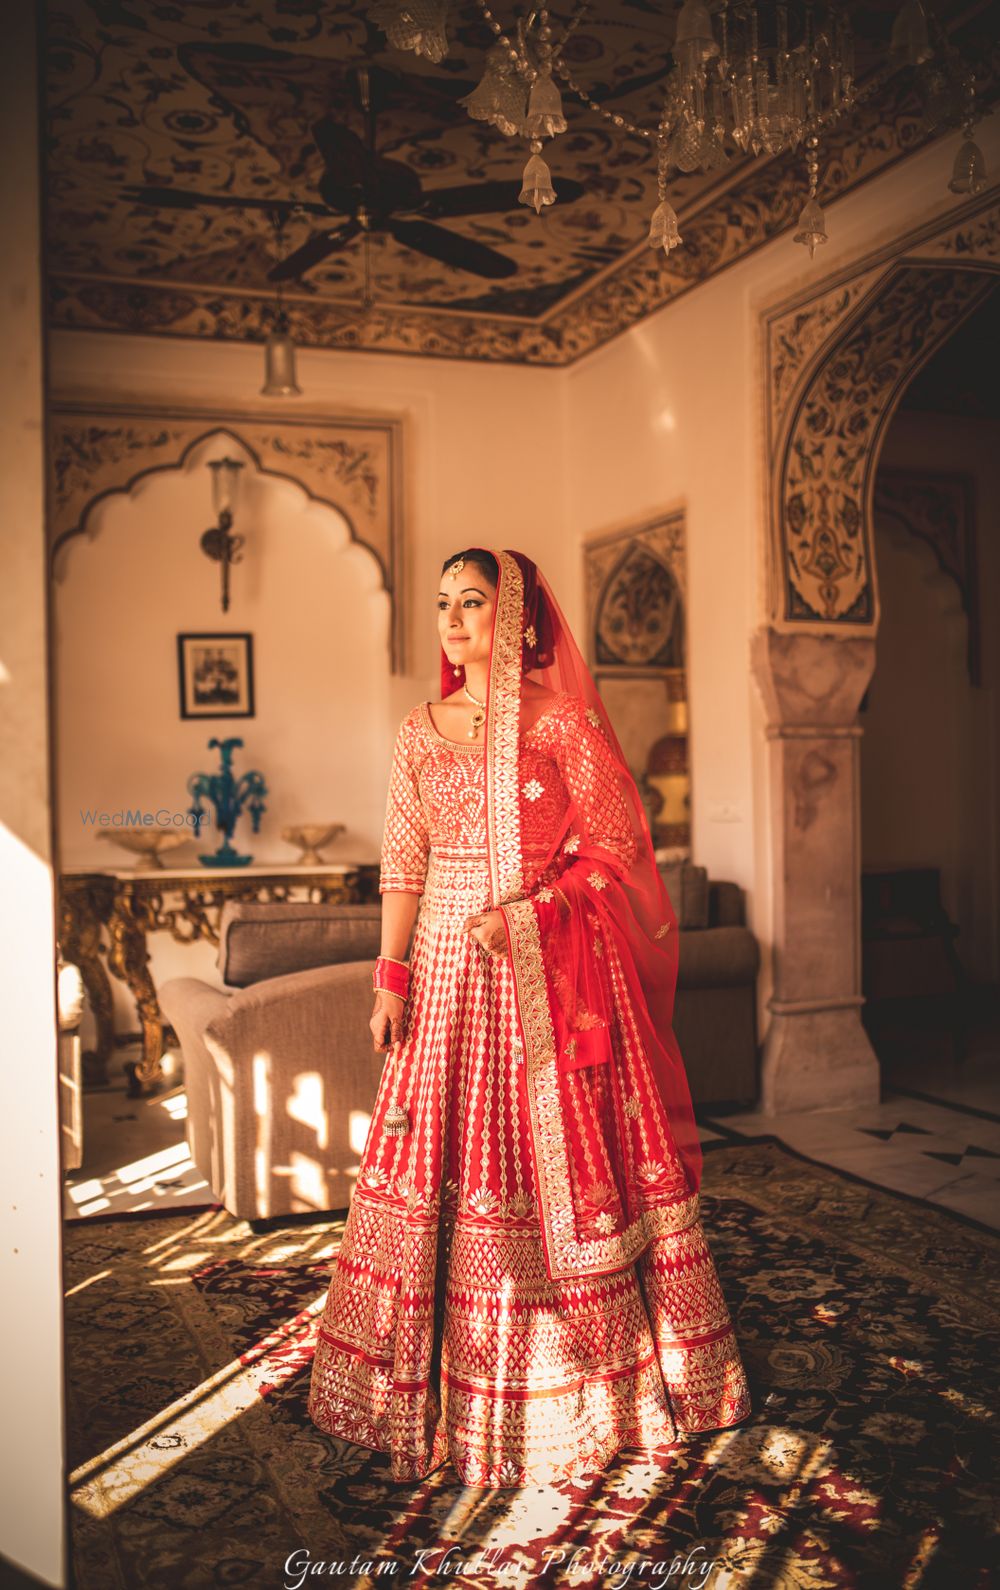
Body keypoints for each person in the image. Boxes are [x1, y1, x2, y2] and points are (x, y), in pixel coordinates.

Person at [307, 547, 751, 1487]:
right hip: (443, 974)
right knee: (437, 1166)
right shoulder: (418, 732)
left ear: (517, 620)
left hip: (546, 975)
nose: (453, 620)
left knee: (552, 1169)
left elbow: (620, 847)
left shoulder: (561, 724)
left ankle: (582, 1388)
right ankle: (416, 1385)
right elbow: (404, 863)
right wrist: (390, 978)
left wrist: (534, 914)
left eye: (472, 602)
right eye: (442, 604)